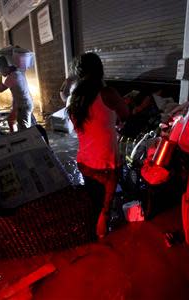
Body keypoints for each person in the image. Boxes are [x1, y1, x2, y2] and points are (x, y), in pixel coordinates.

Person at [67, 52, 129, 239]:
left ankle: (91, 232)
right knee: (105, 210)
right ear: (99, 70)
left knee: (94, 202)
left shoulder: (75, 98)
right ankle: (101, 247)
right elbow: (125, 115)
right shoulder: (108, 93)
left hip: (84, 162)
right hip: (106, 165)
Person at [0, 55, 34, 132]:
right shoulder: (17, 71)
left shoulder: (11, 77)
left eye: (0, 70)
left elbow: (0, 89)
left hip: (23, 106)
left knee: (25, 131)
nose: (1, 73)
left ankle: (28, 142)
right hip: (25, 103)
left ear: (4, 68)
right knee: (15, 122)